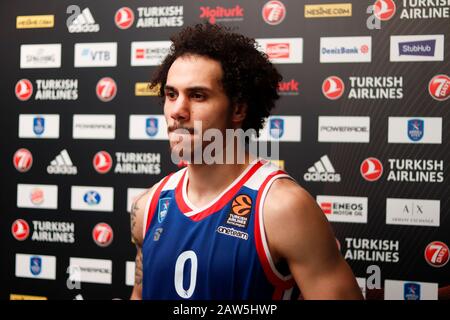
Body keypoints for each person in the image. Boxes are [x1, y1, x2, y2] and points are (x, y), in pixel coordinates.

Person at [129, 23, 363, 300]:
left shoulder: (282, 207)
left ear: (238, 109)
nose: (177, 111)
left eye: (197, 95)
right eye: (171, 95)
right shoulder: (149, 206)